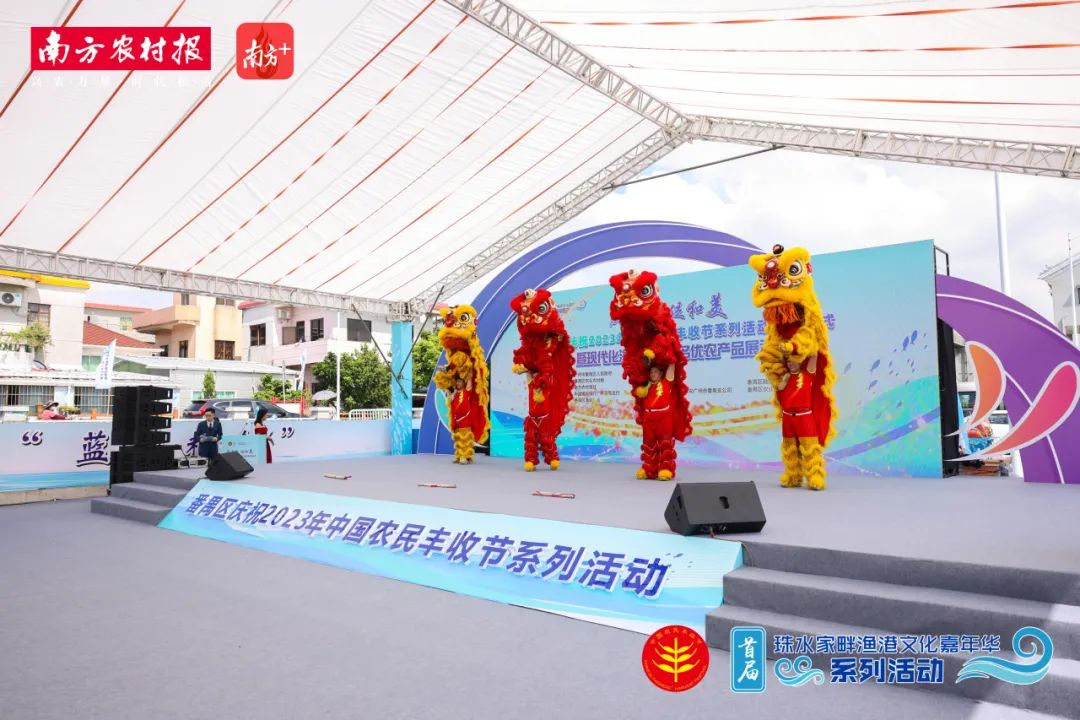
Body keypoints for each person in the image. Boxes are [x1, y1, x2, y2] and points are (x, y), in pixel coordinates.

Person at [635, 363, 678, 480]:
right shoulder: (646, 387)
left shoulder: (666, 382)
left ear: (661, 373)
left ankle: (665, 469)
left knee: (665, 443)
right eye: (651, 372)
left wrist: (671, 357)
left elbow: (671, 365)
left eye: (655, 372)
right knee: (648, 444)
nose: (653, 374)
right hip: (648, 418)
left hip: (663, 417)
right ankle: (648, 469)